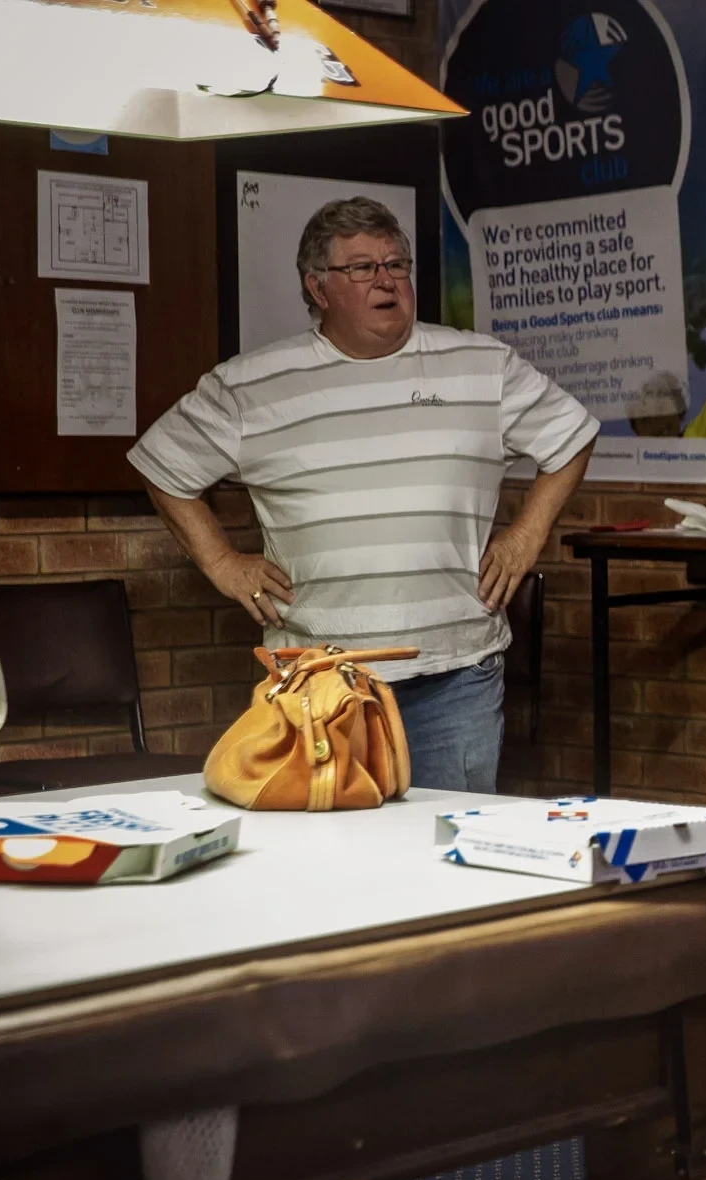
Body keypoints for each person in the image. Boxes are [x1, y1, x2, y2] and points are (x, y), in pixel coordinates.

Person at [130, 197, 595, 794]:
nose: (386, 280)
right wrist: (222, 562)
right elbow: (163, 466)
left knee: (448, 845)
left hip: (454, 677)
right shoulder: (252, 386)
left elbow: (571, 435)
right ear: (317, 288)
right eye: (362, 268)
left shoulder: (483, 366)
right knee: (327, 844)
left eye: (396, 264)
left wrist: (525, 536)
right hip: (320, 680)